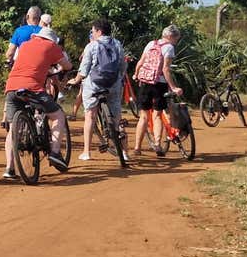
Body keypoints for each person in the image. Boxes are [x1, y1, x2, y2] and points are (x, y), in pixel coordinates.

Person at [3, 27, 72, 179]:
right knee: (58, 115)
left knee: (12, 129)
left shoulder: (26, 44)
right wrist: (57, 70)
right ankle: (54, 152)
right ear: (52, 39)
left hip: (12, 87)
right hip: (32, 88)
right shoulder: (52, 46)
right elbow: (67, 66)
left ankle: (10, 168)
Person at [67, 18, 128, 161]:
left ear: (99, 31)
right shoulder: (117, 44)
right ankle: (125, 153)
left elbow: (84, 70)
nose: (92, 34)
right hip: (113, 84)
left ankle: (86, 152)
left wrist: (76, 80)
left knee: (90, 116)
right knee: (117, 118)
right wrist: (120, 78)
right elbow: (122, 66)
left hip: (94, 85)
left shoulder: (92, 46)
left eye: (93, 31)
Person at [133, 25, 183, 157]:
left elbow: (141, 62)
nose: (176, 41)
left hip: (145, 81)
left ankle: (137, 147)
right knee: (157, 115)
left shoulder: (151, 43)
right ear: (171, 37)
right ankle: (157, 144)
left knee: (143, 116)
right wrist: (173, 87)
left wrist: (136, 74)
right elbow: (166, 69)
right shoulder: (169, 48)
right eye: (176, 39)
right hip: (159, 84)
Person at [1, 6, 42, 127]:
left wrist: (8, 60)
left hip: (20, 67)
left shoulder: (20, 31)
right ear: (39, 18)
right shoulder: (43, 31)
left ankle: (7, 118)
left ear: (27, 17)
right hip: (39, 69)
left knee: (11, 90)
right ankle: (39, 116)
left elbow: (10, 52)